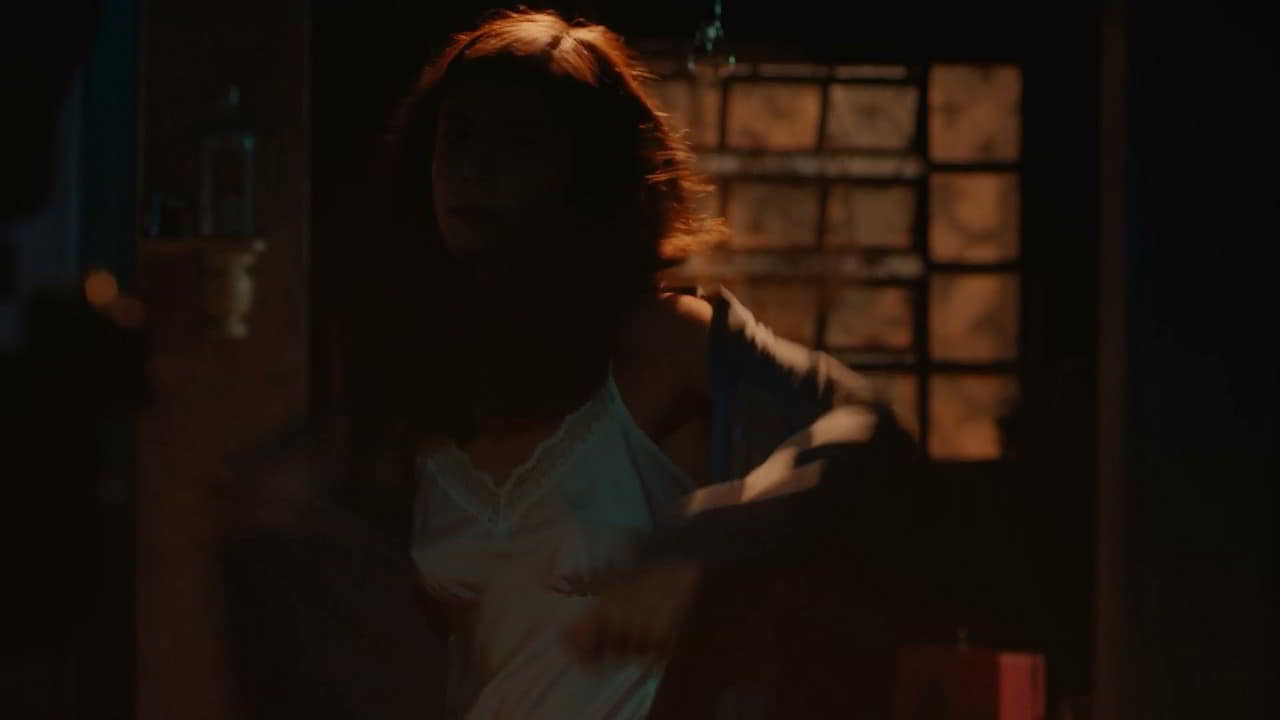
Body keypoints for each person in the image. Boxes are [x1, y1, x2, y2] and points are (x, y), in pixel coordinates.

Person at [223, 9, 954, 719]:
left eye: (519, 142)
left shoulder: (660, 340)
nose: (475, 170)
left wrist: (703, 540)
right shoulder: (420, 385)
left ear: (587, 171)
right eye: (458, 137)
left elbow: (866, 425)